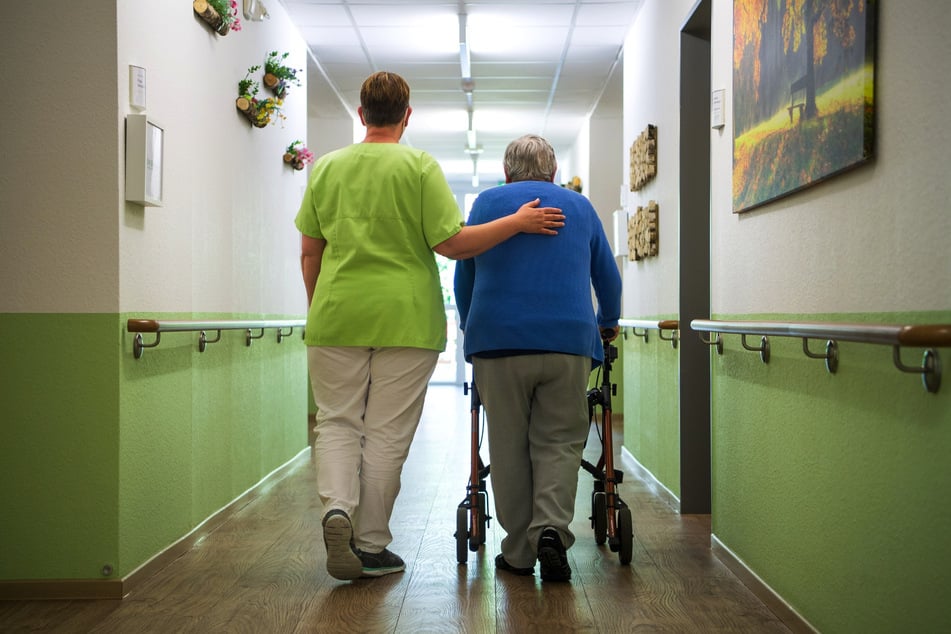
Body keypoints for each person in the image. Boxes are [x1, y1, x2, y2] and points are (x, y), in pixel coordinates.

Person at [294, 72, 565, 582]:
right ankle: (370, 544)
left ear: (360, 113)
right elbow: (452, 243)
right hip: (406, 319)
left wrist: (321, 309)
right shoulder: (418, 165)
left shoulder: (327, 168)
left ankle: (337, 511)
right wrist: (517, 223)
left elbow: (310, 251)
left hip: (334, 316)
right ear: (407, 115)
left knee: (336, 421)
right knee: (386, 434)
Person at [453, 134, 622, 582]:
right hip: (568, 342)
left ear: (507, 173)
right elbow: (607, 276)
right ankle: (551, 529)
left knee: (508, 445)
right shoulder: (579, 207)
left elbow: (463, 277)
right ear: (553, 174)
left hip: (498, 343)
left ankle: (518, 553)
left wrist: (473, 326)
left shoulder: (488, 204)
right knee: (561, 442)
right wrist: (609, 321)